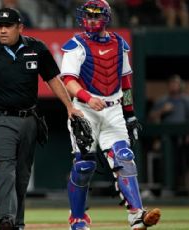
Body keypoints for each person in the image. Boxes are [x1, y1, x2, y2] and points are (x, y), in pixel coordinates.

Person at [0, 7, 82, 230]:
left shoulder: (37, 48)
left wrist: (69, 107)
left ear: (19, 27)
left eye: (8, 26)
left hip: (30, 119)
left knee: (22, 175)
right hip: (0, 118)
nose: (3, 30)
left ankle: (16, 223)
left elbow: (53, 79)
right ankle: (3, 219)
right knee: (4, 167)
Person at [60, 1, 161, 229]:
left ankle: (137, 215)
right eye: (87, 16)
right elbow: (68, 81)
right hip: (85, 109)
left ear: (106, 18)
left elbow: (125, 84)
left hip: (114, 109)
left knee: (124, 158)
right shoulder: (75, 44)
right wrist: (87, 98)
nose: (91, 20)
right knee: (84, 165)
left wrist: (130, 114)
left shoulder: (119, 43)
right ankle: (77, 217)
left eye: (96, 16)